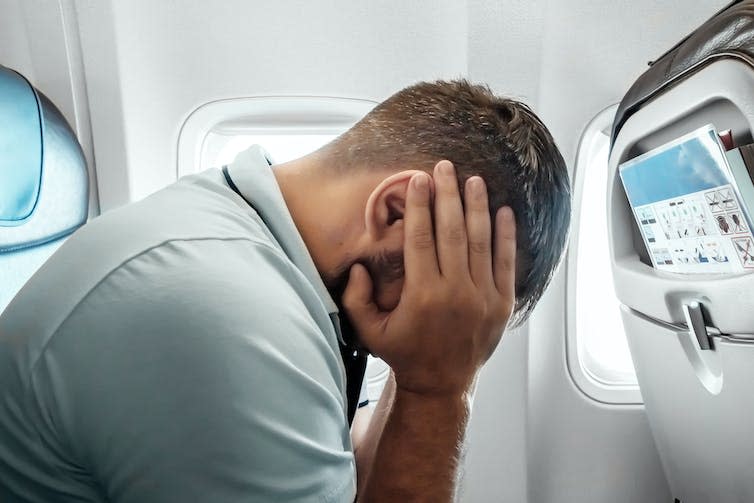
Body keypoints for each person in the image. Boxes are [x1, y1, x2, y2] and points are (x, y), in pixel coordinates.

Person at [0, 80, 570, 502]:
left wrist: (423, 372)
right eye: (462, 287)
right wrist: (441, 389)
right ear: (397, 211)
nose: (457, 319)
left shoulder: (263, 246)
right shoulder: (225, 317)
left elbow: (353, 480)